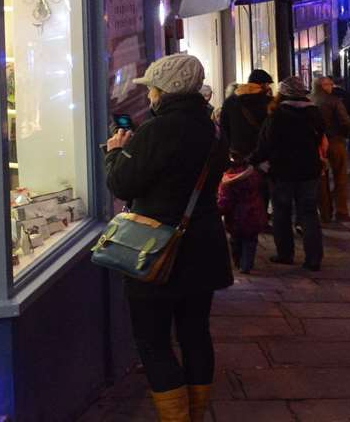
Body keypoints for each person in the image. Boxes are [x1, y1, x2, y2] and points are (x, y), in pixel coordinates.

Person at [104, 53, 233, 422]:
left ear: (165, 91)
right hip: (203, 246)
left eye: (153, 90)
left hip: (156, 251)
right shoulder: (212, 128)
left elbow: (123, 183)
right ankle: (196, 413)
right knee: (195, 335)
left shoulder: (157, 130)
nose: (149, 97)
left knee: (153, 341)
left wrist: (115, 153)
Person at [252, 75, 326, 271]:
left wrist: (255, 160)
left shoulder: (277, 115)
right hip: (309, 169)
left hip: (282, 170)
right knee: (309, 213)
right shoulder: (314, 113)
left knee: (282, 212)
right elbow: (319, 137)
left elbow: (265, 143)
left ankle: (285, 253)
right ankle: (313, 258)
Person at [312, 75, 350, 223]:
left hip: (317, 143)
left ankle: (325, 212)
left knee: (321, 179)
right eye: (329, 85)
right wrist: (347, 133)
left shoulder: (309, 100)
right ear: (323, 86)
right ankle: (341, 211)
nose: (332, 87)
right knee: (340, 177)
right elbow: (346, 121)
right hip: (334, 140)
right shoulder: (334, 101)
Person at [217, 151, 268, 275]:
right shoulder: (254, 176)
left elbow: (225, 202)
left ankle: (238, 262)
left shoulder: (227, 183)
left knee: (236, 241)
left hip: (235, 218)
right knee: (250, 241)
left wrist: (218, 211)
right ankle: (247, 265)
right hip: (254, 215)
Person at [221, 69, 274, 161]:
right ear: (264, 84)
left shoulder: (230, 101)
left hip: (238, 155)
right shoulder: (270, 102)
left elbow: (224, 128)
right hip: (262, 155)